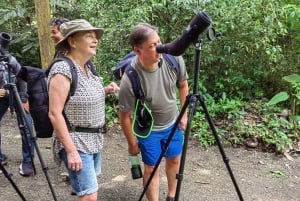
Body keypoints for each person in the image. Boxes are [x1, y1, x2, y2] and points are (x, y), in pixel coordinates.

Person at [47, 19, 119, 201]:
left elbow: (77, 96)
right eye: (89, 36)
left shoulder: (87, 67)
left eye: (96, 37)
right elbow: (54, 113)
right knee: (89, 196)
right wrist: (71, 151)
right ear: (72, 41)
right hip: (76, 142)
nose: (95, 40)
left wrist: (105, 90)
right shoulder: (62, 69)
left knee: (88, 191)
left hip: (93, 140)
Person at [119, 23, 189, 201]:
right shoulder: (130, 78)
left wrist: (185, 114)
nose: (159, 48)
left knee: (174, 159)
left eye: (159, 42)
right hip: (148, 130)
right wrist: (131, 143)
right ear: (138, 50)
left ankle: (171, 197)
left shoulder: (173, 59)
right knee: (151, 168)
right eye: (152, 46)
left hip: (173, 122)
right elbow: (125, 116)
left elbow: (183, 85)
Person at [0, 50, 35, 176]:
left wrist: (24, 99)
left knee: (27, 127)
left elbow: (22, 78)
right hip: (1, 96)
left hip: (17, 94)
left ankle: (28, 162)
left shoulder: (10, 60)